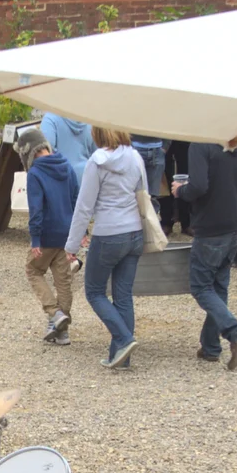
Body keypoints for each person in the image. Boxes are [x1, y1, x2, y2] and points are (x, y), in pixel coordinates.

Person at [65, 128, 148, 370]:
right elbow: (143, 194)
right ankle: (121, 357)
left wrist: (72, 244)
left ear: (97, 134)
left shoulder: (97, 161)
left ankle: (124, 339)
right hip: (134, 232)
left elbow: (84, 206)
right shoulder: (135, 157)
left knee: (94, 292)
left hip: (108, 233)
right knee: (123, 295)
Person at [175, 143, 237, 370]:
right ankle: (211, 346)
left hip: (211, 227)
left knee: (201, 287)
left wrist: (180, 190)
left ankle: (236, 331)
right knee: (219, 286)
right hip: (236, 224)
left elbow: (199, 186)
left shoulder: (200, 145)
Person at [16, 127, 80, 345]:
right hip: (67, 234)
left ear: (27, 153)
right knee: (63, 281)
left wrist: (35, 239)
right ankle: (62, 332)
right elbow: (76, 201)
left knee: (33, 270)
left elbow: (36, 210)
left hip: (46, 235)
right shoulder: (67, 166)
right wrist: (80, 232)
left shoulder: (35, 173)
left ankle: (54, 314)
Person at [40, 111, 96, 182]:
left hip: (62, 181)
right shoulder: (90, 120)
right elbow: (98, 155)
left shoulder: (50, 119)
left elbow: (44, 154)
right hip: (88, 179)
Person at [132, 133, 166, 219]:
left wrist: (165, 146)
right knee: (133, 194)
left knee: (153, 196)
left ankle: (151, 227)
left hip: (158, 149)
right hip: (134, 147)